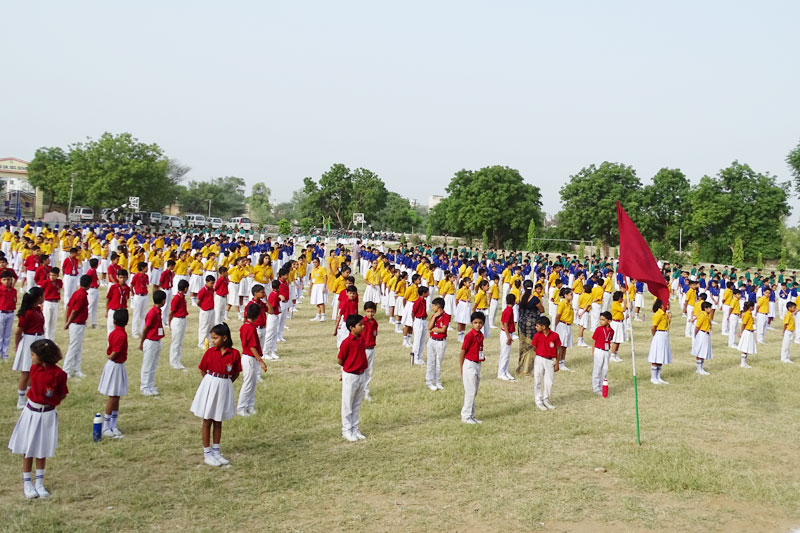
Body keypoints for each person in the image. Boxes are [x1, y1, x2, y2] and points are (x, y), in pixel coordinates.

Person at [8, 339, 68, 499]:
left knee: (42, 448)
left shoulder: (59, 374)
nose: (31, 357)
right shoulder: (34, 369)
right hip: (32, 412)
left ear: (43, 356)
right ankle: (27, 482)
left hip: (47, 413)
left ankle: (39, 482)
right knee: (28, 448)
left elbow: (62, 393)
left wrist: (53, 399)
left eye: (33, 354)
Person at [190, 323, 241, 466]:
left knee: (218, 420)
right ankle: (207, 453)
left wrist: (226, 383)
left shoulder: (235, 354)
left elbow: (236, 372)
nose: (212, 341)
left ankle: (216, 452)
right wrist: (210, 382)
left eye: (215, 338)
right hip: (210, 384)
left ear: (224, 338)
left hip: (224, 385)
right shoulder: (210, 352)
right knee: (207, 419)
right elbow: (202, 369)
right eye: (212, 338)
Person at [98, 309, 129, 438]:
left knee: (117, 395)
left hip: (117, 365)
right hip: (115, 365)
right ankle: (106, 426)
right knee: (113, 396)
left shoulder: (113, 333)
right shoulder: (121, 335)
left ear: (114, 320)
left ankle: (113, 424)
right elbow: (115, 351)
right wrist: (111, 357)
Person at [13, 287, 45, 410]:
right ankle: (20, 400)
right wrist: (18, 346)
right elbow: (18, 331)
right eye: (42, 296)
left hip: (38, 339)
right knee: (26, 371)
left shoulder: (37, 310)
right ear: (38, 298)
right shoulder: (28, 313)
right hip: (29, 340)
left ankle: (32, 396)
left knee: (36, 370)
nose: (44, 298)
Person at [338, 313, 369, 442]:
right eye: (360, 325)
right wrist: (347, 369)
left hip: (361, 374)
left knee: (356, 404)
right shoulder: (346, 342)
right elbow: (340, 360)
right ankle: (346, 430)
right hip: (351, 375)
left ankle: (355, 428)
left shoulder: (361, 339)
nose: (362, 327)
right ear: (352, 328)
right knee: (347, 404)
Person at [236, 303, 268, 417]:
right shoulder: (249, 328)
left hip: (250, 357)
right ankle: (241, 407)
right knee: (248, 383)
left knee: (253, 382)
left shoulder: (246, 326)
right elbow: (251, 346)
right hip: (249, 357)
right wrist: (260, 360)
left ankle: (250, 405)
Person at [62, 274, 91, 379]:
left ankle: (76, 369)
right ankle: (66, 370)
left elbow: (68, 306)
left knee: (77, 347)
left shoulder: (77, 293)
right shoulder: (81, 295)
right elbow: (74, 310)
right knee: (74, 347)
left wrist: (66, 321)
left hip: (78, 324)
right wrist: (68, 322)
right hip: (77, 323)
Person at [459, 311, 485, 424]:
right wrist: (461, 367)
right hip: (469, 364)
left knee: (474, 391)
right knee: (470, 391)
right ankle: (466, 416)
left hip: (477, 364)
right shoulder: (469, 336)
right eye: (475, 322)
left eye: (480, 323)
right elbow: (463, 351)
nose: (478, 325)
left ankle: (472, 414)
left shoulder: (481, 335)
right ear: (471, 323)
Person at [139, 290, 166, 396]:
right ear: (163, 301)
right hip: (150, 341)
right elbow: (145, 328)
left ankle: (150, 385)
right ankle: (144, 387)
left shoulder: (158, 311)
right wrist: (142, 342)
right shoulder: (152, 313)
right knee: (147, 365)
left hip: (157, 341)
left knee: (153, 365)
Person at [531, 315, 560, 411]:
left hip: (550, 360)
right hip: (539, 359)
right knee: (538, 380)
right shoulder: (537, 336)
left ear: (543, 327)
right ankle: (538, 400)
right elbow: (534, 347)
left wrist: (557, 362)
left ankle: (546, 399)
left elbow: (558, 349)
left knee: (549, 381)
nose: (536, 327)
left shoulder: (555, 336)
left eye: (537, 325)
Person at [517, 281, 544, 376]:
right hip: (531, 325)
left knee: (522, 346)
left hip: (521, 324)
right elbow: (542, 310)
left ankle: (520, 367)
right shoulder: (534, 299)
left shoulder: (521, 297)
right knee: (531, 346)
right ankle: (527, 369)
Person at [426, 297, 449, 391]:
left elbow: (443, 329)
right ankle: (429, 381)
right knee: (430, 361)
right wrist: (435, 317)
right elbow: (429, 327)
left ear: (438, 306)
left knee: (438, 362)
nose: (432, 307)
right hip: (432, 340)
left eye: (433, 306)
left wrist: (435, 330)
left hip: (440, 341)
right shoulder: (433, 316)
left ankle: (437, 381)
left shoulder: (446, 316)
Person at [648, 299, 671, 385]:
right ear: (661, 305)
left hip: (664, 335)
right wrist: (654, 335)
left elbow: (667, 326)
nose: (668, 306)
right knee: (656, 355)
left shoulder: (665, 315)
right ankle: (653, 377)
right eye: (667, 304)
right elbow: (654, 327)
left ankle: (658, 376)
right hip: (659, 334)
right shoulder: (658, 314)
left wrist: (669, 318)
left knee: (661, 355)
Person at [168, 279, 190, 370]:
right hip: (177, 320)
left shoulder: (182, 297)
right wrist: (169, 324)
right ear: (185, 288)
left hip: (182, 320)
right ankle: (173, 361)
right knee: (176, 342)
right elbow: (171, 312)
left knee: (180, 342)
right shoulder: (176, 298)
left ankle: (178, 360)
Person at [591, 311, 613, 394]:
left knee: (605, 369)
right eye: (600, 319)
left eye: (603, 320)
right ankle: (596, 388)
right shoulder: (598, 329)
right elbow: (594, 341)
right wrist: (593, 352)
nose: (601, 321)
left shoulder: (611, 331)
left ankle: (601, 386)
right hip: (599, 350)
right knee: (597, 369)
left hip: (606, 351)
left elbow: (609, 340)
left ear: (609, 321)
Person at [552, 287, 574, 371]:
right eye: (570, 294)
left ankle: (562, 362)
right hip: (562, 324)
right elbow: (558, 316)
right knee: (560, 346)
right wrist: (556, 326)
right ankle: (557, 362)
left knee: (565, 345)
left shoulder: (569, 304)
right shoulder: (562, 304)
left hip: (568, 325)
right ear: (565, 295)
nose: (572, 296)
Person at [362, 301, 378, 401]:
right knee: (361, 371)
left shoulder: (375, 323)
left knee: (369, 371)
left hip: (371, 349)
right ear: (364, 311)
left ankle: (366, 391)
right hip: (363, 349)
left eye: (372, 311)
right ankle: (359, 391)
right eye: (368, 311)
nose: (370, 314)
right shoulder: (361, 323)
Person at [498, 294, 516, 381]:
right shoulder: (508, 311)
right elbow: (505, 324)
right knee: (504, 354)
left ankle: (505, 370)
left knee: (506, 354)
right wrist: (508, 336)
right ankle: (501, 373)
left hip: (507, 333)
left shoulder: (508, 310)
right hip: (506, 333)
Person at [106, 269, 130, 335]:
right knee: (110, 331)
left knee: (120, 331)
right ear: (117, 277)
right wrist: (106, 311)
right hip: (113, 311)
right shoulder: (113, 287)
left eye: (124, 277)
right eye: (120, 277)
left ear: (127, 278)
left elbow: (126, 300)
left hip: (121, 313)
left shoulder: (127, 289)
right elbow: (108, 299)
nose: (122, 279)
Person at [692, 301, 713, 375]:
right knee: (700, 351)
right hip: (702, 333)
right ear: (705, 308)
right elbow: (697, 326)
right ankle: (698, 369)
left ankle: (701, 368)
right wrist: (695, 335)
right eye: (709, 308)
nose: (711, 309)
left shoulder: (707, 315)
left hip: (706, 333)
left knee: (703, 351)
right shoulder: (702, 315)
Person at [40, 267, 62, 341]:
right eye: (51, 275)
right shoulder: (45, 282)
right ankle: (46, 338)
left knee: (53, 322)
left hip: (56, 302)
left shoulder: (59, 282)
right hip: (48, 302)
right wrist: (40, 303)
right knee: (47, 321)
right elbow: (41, 292)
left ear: (57, 275)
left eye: (54, 275)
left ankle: (51, 339)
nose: (52, 277)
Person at [0, 269, 17, 362]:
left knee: (7, 335)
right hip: (1, 313)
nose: (7, 282)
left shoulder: (13, 291)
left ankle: (5, 353)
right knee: (0, 335)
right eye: (5, 279)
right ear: (1, 280)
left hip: (10, 313)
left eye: (9, 279)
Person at [410, 285, 429, 366]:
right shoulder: (417, 301)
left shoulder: (424, 301)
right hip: (418, 320)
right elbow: (413, 312)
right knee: (417, 340)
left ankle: (419, 356)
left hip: (424, 320)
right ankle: (415, 357)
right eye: (427, 292)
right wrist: (414, 320)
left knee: (422, 340)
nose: (428, 293)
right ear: (423, 293)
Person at [264, 280, 282, 360]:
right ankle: (265, 352)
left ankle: (272, 350)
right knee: (269, 334)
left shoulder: (275, 294)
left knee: (274, 334)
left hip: (276, 315)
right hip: (272, 315)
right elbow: (271, 306)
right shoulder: (273, 295)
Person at [196, 275, 216, 349]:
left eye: (213, 283)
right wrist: (203, 307)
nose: (212, 285)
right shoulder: (202, 291)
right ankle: (201, 343)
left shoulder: (211, 289)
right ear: (207, 282)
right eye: (211, 283)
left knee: (211, 327)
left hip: (212, 310)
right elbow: (198, 302)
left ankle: (210, 342)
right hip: (205, 311)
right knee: (204, 327)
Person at [737, 301, 757, 369]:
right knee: (745, 347)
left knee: (747, 347)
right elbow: (743, 324)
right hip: (747, 332)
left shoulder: (750, 314)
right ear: (750, 307)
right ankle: (742, 363)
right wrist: (741, 332)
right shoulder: (746, 314)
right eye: (753, 306)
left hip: (750, 332)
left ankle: (744, 362)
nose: (753, 307)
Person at [308, 257, 328, 321]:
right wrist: (310, 288)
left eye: (316, 262)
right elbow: (312, 279)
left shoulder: (322, 269)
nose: (314, 263)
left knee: (321, 301)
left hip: (321, 285)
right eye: (313, 262)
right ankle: (317, 315)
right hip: (315, 286)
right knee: (317, 301)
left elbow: (325, 278)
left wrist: (324, 286)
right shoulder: (313, 269)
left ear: (319, 262)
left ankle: (323, 316)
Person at [609, 291, 626, 363]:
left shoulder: (618, 304)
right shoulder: (615, 304)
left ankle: (616, 354)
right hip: (616, 323)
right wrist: (625, 303)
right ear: (619, 298)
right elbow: (623, 309)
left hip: (620, 322)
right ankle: (612, 355)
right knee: (616, 340)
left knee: (619, 340)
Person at [86, 258, 100, 329]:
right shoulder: (90, 271)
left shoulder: (94, 271)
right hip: (91, 289)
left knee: (94, 307)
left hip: (95, 289)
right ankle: (85, 322)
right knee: (89, 307)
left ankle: (94, 323)